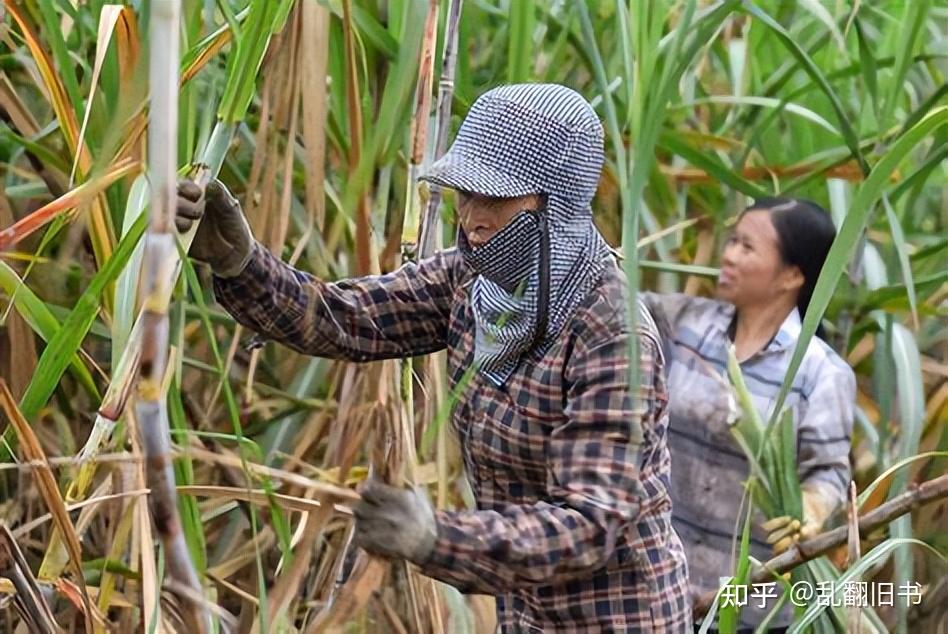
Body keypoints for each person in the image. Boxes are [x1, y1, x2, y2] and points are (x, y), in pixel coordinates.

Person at [176, 83, 691, 632]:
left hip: (618, 616)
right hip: (524, 611)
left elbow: (589, 524)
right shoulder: (470, 279)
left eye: (493, 197)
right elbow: (349, 318)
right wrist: (240, 263)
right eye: (463, 194)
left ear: (554, 200)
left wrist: (436, 538)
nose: (471, 217)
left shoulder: (610, 333)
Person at [643, 198, 855, 631]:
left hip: (755, 609)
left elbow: (829, 472)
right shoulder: (683, 325)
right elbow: (611, 302)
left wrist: (810, 511)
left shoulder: (821, 373)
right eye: (732, 240)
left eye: (747, 247)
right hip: (661, 596)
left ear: (792, 275)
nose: (728, 255)